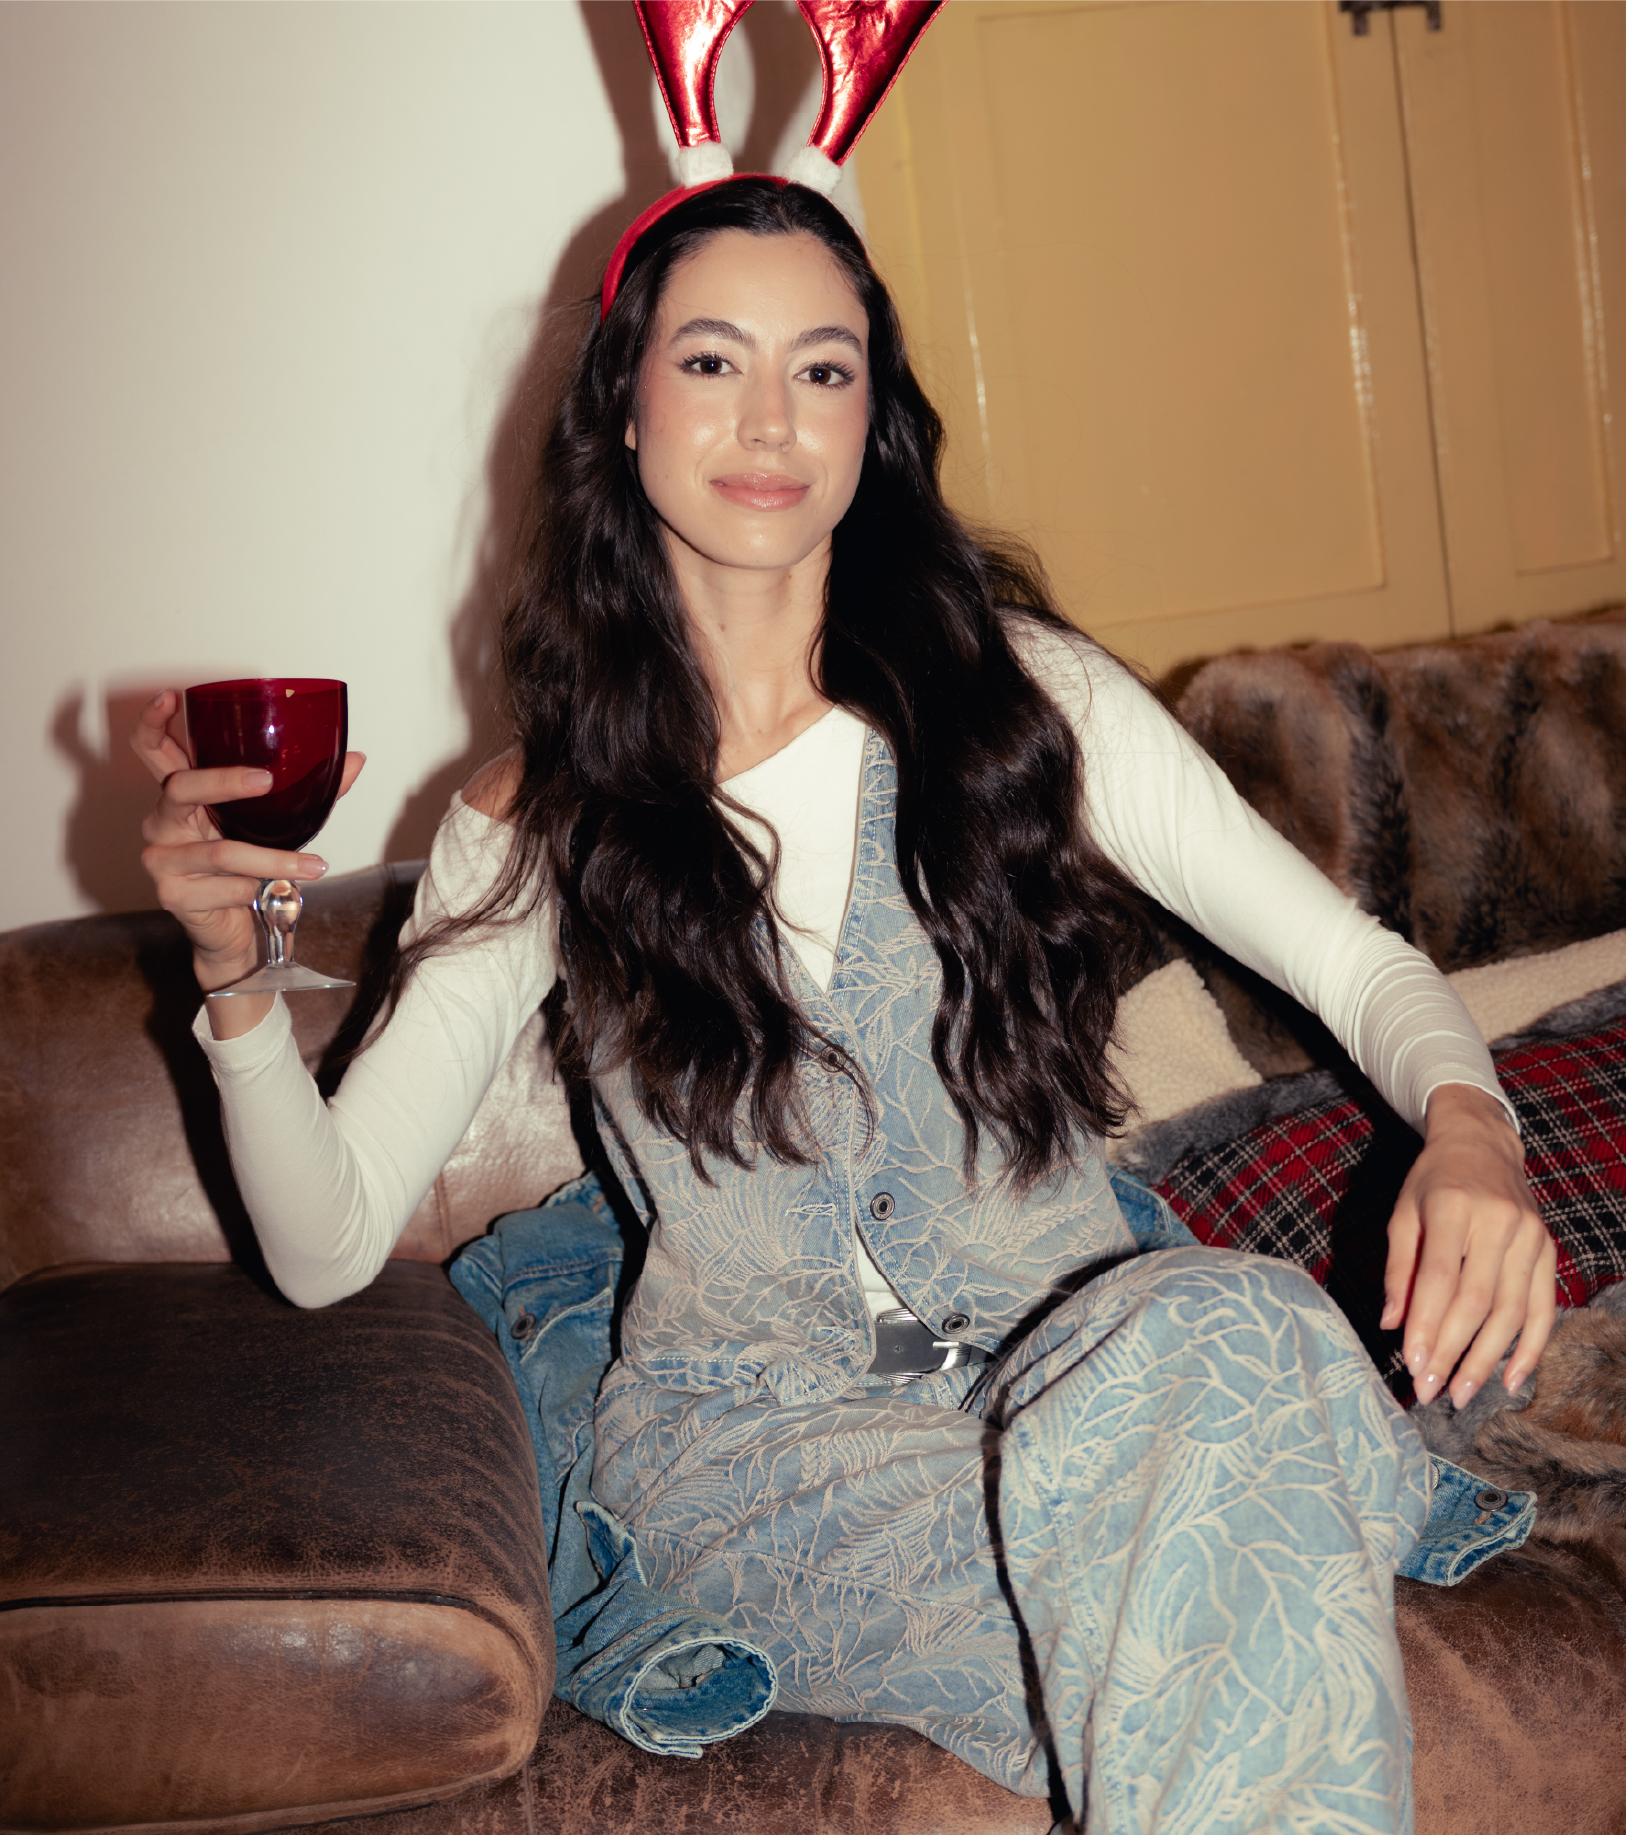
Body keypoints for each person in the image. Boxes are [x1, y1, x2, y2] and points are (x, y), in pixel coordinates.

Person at [136, 178, 1554, 1833]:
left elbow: (1357, 968)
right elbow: (324, 1245)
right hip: (767, 1465)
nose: (770, 419)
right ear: (624, 404)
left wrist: (1472, 1134)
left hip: (1104, 1363)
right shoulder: (538, 819)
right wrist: (235, 976)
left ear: (870, 420)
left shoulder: (1030, 705)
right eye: (711, 361)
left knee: (1231, 1330)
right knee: (1209, 1576)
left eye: (822, 369)